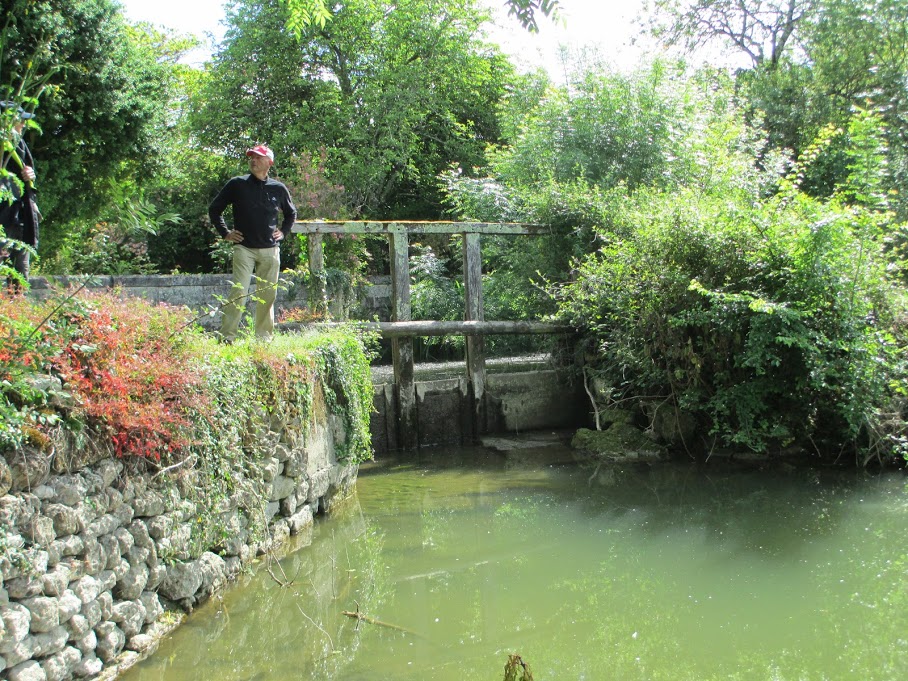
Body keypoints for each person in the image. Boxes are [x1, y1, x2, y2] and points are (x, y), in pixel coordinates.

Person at [209, 144, 297, 342]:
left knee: (268, 295)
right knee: (238, 291)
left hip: (270, 250)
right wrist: (225, 233)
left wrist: (283, 232)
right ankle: (227, 338)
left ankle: (263, 339)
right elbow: (215, 209)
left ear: (269, 162)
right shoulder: (236, 184)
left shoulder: (278, 188)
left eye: (257, 157)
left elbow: (291, 213)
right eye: (251, 157)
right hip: (244, 248)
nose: (253, 160)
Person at [0, 101, 39, 285]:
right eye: (20, 120)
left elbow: (29, 177)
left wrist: (31, 174)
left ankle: (17, 309)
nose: (23, 125)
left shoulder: (20, 144)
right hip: (3, 220)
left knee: (20, 274)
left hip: (21, 218)